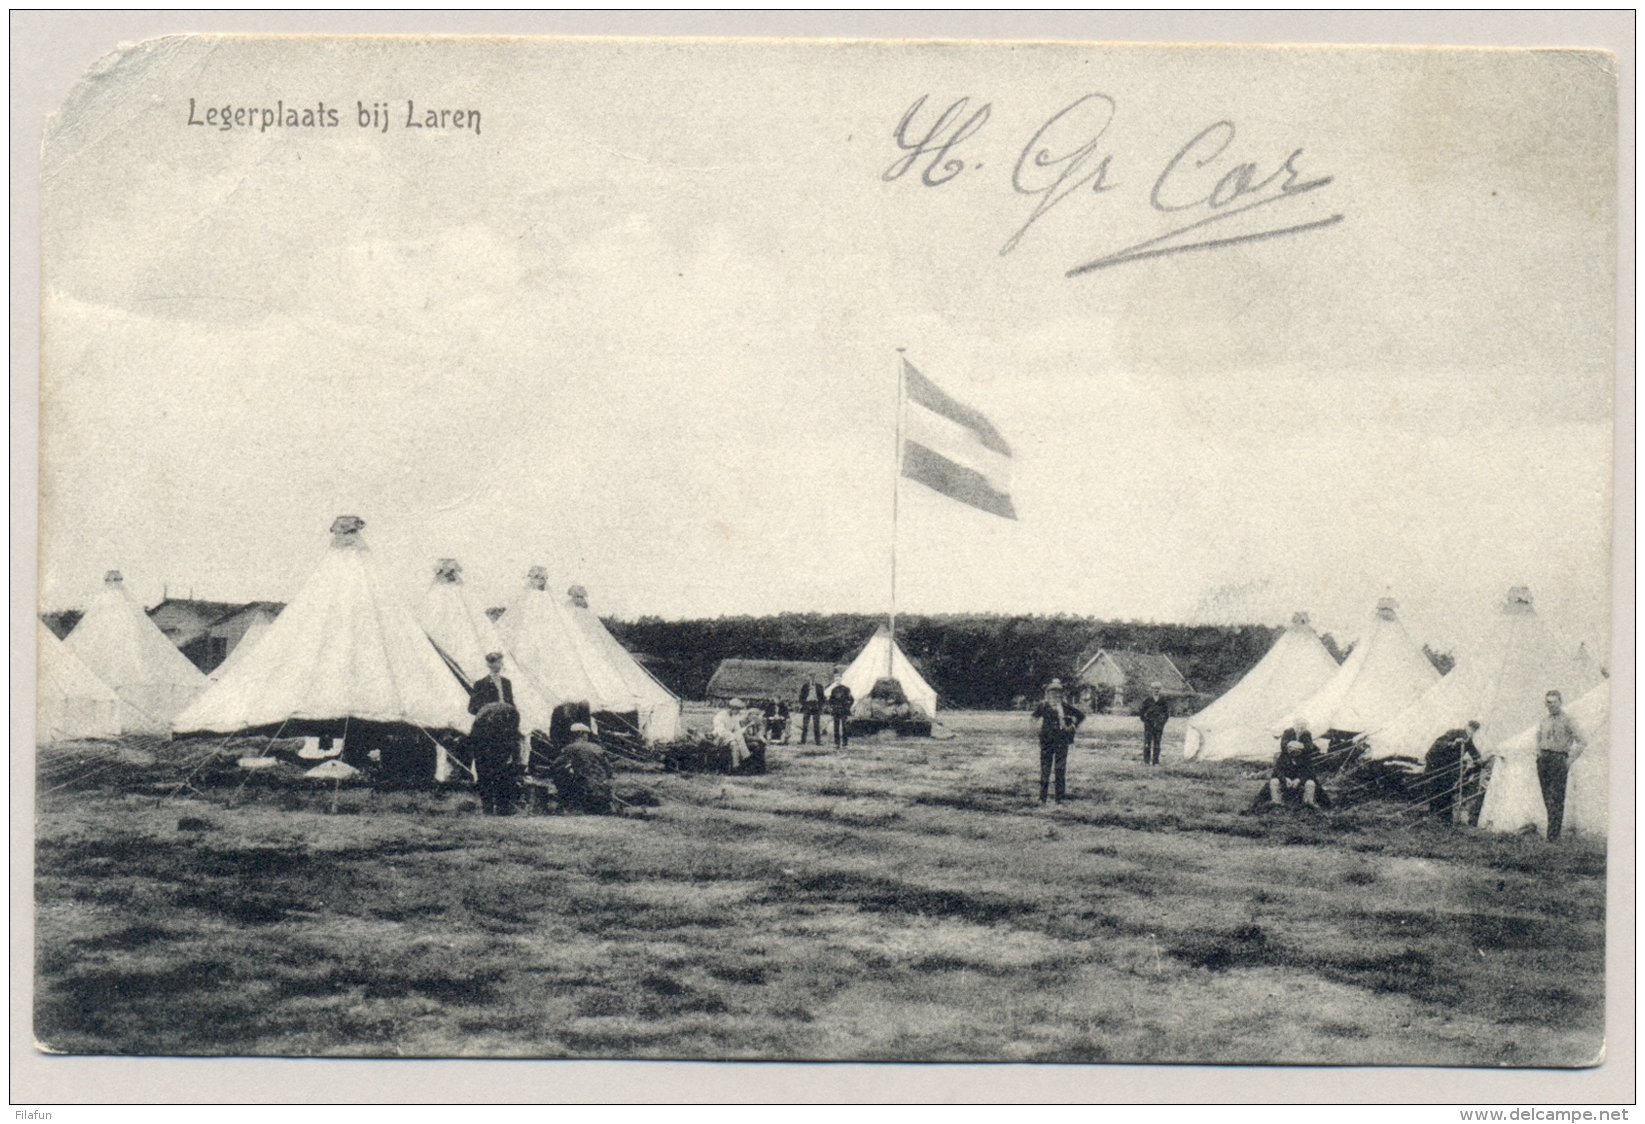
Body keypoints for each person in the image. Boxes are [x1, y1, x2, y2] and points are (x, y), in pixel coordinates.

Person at [1535, 690, 1586, 840]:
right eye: (1547, 703)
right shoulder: (1544, 721)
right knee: (1546, 796)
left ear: (1560, 702)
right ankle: (1552, 832)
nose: (1550, 706)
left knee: (1556, 797)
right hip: (1544, 760)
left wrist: (1569, 761)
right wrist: (1538, 752)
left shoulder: (1568, 720)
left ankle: (1552, 836)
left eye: (1553, 702)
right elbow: (1538, 738)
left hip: (1559, 759)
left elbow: (1582, 741)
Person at [1031, 679, 1085, 804]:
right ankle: (1042, 797)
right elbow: (1033, 718)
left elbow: (1080, 716)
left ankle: (1059, 798)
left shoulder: (1065, 707)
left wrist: (1072, 726)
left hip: (1061, 741)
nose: (1055, 695)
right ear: (1047, 694)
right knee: (1045, 768)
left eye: (1058, 693)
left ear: (1061, 695)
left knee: (1060, 769)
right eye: (1052, 692)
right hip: (1046, 741)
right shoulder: (1043, 706)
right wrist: (1038, 732)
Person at [467, 700, 523, 814]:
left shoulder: (483, 718)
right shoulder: (508, 714)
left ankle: (488, 807)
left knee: (485, 777)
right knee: (502, 776)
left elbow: (473, 739)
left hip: (486, 748)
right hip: (497, 748)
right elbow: (515, 740)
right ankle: (502, 807)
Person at [548, 723, 614, 814]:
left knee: (562, 774)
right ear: (584, 734)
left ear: (576, 734)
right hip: (603, 789)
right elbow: (609, 769)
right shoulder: (598, 748)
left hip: (585, 789)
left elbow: (555, 766)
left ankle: (567, 803)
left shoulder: (571, 748)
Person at [1424, 720, 1482, 823]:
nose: (1472, 732)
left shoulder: (1468, 740)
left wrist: (1480, 759)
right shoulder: (1454, 733)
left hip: (1448, 769)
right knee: (1436, 789)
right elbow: (1438, 743)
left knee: (1446, 790)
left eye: (1475, 730)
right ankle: (1434, 816)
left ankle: (1445, 819)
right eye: (1471, 729)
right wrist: (1452, 743)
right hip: (1436, 765)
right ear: (1466, 726)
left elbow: (1474, 753)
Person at [1268, 719, 1327, 809]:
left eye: (1302, 727)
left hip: (1300, 778)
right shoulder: (1284, 754)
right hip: (1287, 778)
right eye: (1298, 726)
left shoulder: (1305, 756)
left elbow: (1308, 771)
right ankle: (1277, 804)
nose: (1300, 729)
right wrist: (1285, 779)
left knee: (1311, 783)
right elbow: (1277, 770)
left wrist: (1299, 780)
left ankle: (1307, 805)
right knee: (1273, 782)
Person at [1136, 681, 1171, 766]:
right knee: (1147, 742)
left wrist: (1162, 722)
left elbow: (1166, 713)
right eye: (1154, 689)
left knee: (1157, 743)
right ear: (1151, 690)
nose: (1156, 690)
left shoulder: (1163, 700)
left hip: (1159, 725)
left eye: (1158, 689)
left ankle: (1156, 761)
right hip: (1149, 724)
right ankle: (1146, 761)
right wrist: (1145, 720)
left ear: (1160, 690)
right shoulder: (1148, 700)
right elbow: (1141, 711)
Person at [826, 675, 855, 748]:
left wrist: (847, 707)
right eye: (836, 680)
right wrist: (832, 707)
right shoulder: (833, 690)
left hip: (844, 710)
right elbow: (831, 700)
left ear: (841, 680)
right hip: (836, 711)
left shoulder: (846, 689)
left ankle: (845, 743)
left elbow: (851, 699)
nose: (837, 681)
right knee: (836, 727)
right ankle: (837, 743)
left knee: (844, 727)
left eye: (839, 680)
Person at [797, 677, 827, 745]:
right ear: (808, 678)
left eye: (813, 677)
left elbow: (823, 698)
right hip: (807, 706)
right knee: (805, 724)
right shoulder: (805, 686)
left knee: (816, 724)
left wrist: (820, 705)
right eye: (810, 677)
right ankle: (803, 741)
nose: (812, 679)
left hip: (816, 706)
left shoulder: (819, 686)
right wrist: (804, 703)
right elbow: (801, 697)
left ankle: (818, 741)